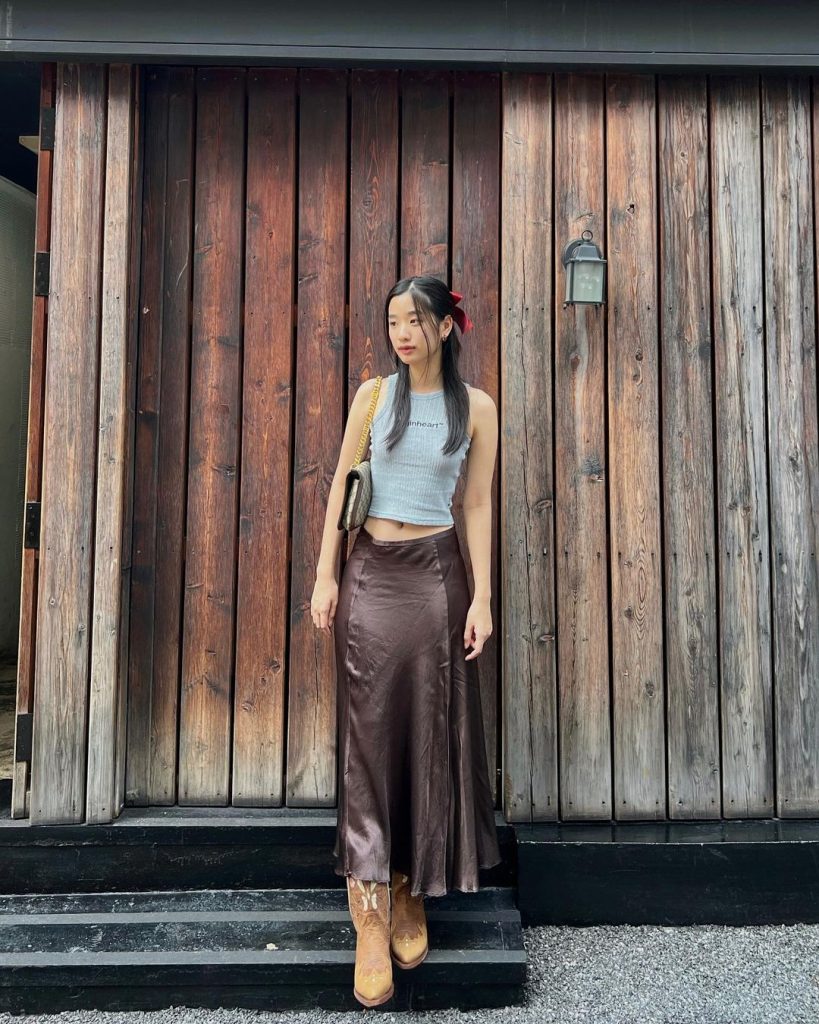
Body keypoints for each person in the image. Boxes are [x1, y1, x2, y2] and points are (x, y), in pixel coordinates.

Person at [310, 275, 502, 1007]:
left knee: (426, 732)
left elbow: (476, 500)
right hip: (370, 573)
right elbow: (339, 486)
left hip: (435, 577)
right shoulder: (371, 396)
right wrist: (326, 573)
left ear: (445, 328)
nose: (402, 333)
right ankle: (367, 908)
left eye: (415, 321)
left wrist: (482, 594)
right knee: (367, 735)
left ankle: (407, 884)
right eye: (393, 321)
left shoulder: (475, 409)